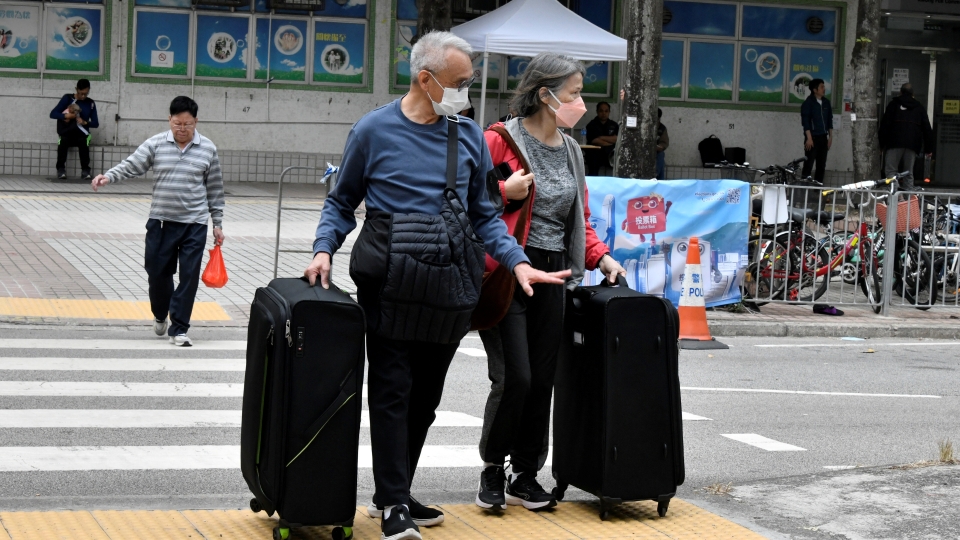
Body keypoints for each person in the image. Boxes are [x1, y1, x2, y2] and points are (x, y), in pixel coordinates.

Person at [303, 31, 568, 540]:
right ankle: (396, 502)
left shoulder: (466, 136)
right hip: (389, 283)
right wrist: (322, 249)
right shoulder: (373, 131)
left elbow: (486, 215)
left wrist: (516, 262)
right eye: (460, 82)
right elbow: (342, 202)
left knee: (424, 399)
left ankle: (391, 494)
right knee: (391, 393)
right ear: (425, 80)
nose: (467, 91)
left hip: (448, 288)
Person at [475, 53, 626, 513]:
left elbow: (579, 217)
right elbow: (472, 200)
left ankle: (526, 472)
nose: (581, 101)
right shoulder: (499, 140)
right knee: (515, 377)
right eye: (575, 92)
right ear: (546, 94)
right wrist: (503, 192)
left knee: (543, 379)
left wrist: (601, 258)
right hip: (506, 270)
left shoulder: (572, 150)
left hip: (556, 270)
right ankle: (492, 468)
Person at [91, 96, 225, 347]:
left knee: (189, 276)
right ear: (169, 120)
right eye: (177, 123)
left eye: (187, 124)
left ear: (196, 122)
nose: (182, 129)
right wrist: (108, 177)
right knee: (157, 273)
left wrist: (217, 223)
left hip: (194, 224)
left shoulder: (208, 148)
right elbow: (132, 164)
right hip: (161, 222)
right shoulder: (156, 143)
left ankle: (180, 328)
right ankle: (161, 312)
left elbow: (215, 188)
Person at [879, 83, 934, 191]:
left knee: (891, 171)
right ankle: (908, 201)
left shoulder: (893, 105)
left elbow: (885, 126)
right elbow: (927, 129)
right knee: (908, 172)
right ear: (912, 94)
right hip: (912, 145)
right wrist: (929, 149)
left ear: (900, 92)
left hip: (894, 143)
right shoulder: (919, 107)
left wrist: (881, 145)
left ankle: (895, 198)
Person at [50, 79, 99, 180]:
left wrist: (85, 122)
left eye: (86, 93)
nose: (83, 96)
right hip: (67, 132)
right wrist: (66, 116)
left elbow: (96, 123)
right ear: (76, 89)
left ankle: (85, 171)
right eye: (81, 93)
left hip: (81, 134)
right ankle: (61, 169)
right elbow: (53, 114)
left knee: (84, 142)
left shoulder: (90, 103)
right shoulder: (67, 98)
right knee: (63, 141)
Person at [800, 78, 833, 182]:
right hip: (812, 137)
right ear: (815, 90)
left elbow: (829, 120)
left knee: (821, 165)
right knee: (809, 164)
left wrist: (830, 137)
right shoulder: (808, 103)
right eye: (821, 87)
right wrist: (809, 138)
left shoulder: (826, 103)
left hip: (823, 137)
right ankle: (804, 187)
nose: (824, 89)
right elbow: (806, 122)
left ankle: (818, 189)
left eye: (824, 86)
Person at [584, 101, 618, 175]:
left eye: (606, 111)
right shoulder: (591, 125)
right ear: (597, 112)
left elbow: (616, 139)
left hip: (610, 153)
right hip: (595, 154)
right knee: (592, 159)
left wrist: (601, 137)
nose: (604, 113)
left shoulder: (614, 125)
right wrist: (610, 141)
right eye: (601, 111)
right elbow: (594, 141)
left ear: (609, 112)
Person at [656, 108, 669, 179]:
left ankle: (656, 175)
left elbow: (664, 143)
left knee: (661, 155)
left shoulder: (662, 128)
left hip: (656, 152)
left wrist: (659, 147)